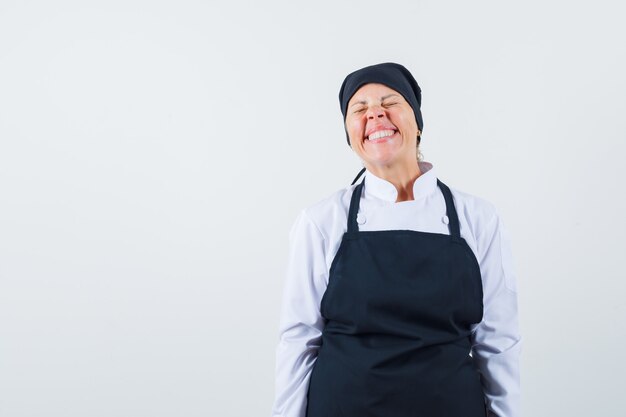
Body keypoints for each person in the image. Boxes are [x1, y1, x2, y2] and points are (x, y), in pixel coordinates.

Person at [271, 62, 522, 417]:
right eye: (359, 109)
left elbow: (499, 344)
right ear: (350, 135)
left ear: (417, 123)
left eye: (390, 102)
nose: (375, 114)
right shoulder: (322, 221)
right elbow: (298, 341)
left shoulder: (478, 218)